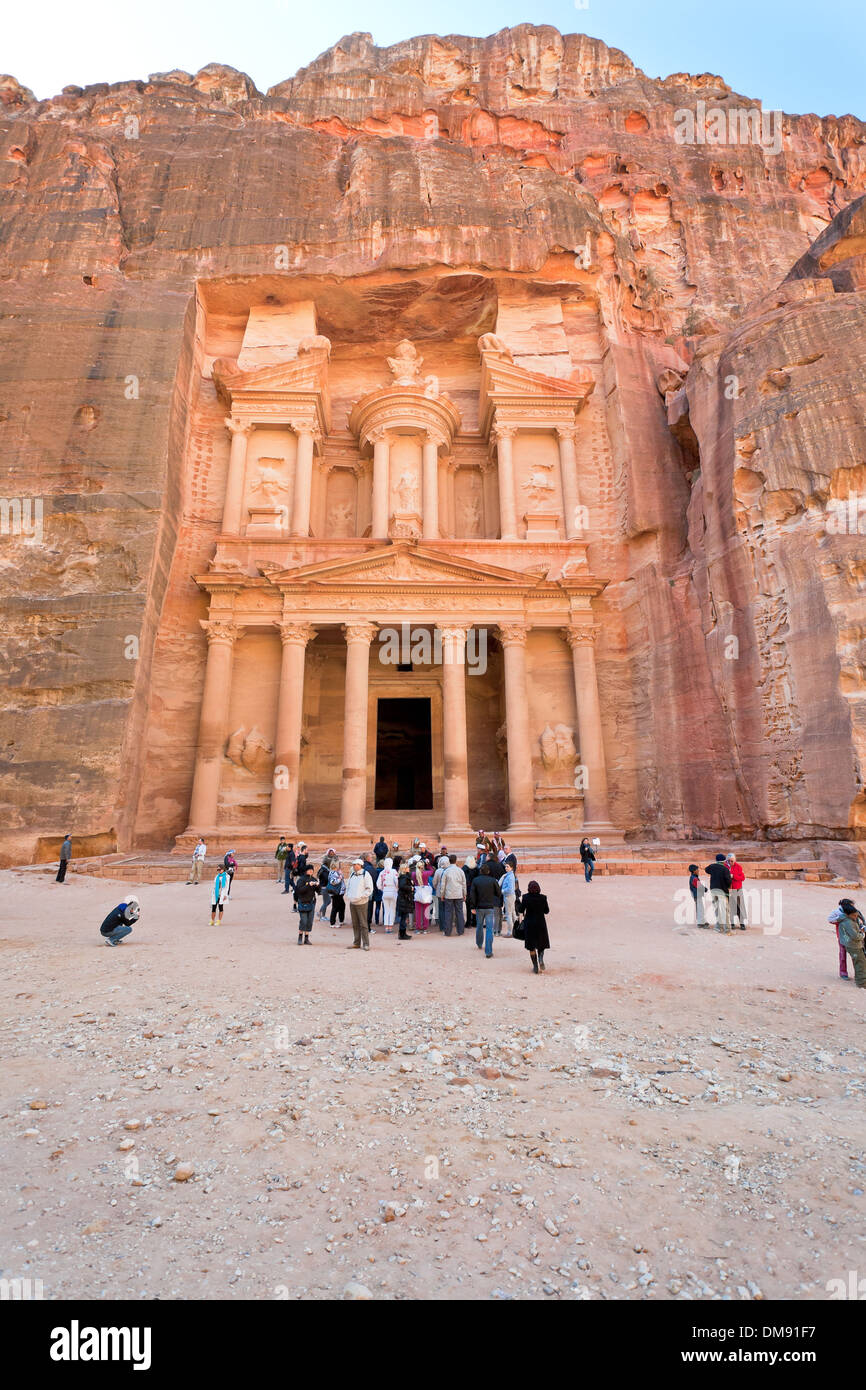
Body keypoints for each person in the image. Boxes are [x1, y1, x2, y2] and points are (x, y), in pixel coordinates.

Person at [470, 862, 502, 959]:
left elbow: (472, 895)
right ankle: (488, 951)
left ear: (480, 871)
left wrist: (472, 907)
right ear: (488, 871)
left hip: (479, 907)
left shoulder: (476, 880)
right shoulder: (492, 880)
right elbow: (499, 893)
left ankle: (479, 943)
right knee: (489, 929)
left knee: (479, 926)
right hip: (489, 907)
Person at [520, 880, 550, 974]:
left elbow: (521, 910)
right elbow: (546, 911)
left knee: (531, 946)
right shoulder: (543, 898)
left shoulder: (525, 897)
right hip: (540, 923)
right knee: (541, 944)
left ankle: (535, 966)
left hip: (529, 924)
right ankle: (541, 959)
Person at [345, 858, 374, 950]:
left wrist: (361, 896)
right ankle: (356, 943)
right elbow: (348, 886)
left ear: (360, 865)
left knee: (363, 924)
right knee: (355, 923)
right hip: (352, 902)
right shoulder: (352, 874)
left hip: (362, 903)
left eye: (355, 864)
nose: (354, 866)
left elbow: (369, 888)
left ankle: (366, 944)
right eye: (353, 865)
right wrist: (349, 895)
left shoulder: (366, 875)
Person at [836, 899, 866, 988]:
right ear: (848, 914)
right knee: (860, 963)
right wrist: (862, 934)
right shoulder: (848, 922)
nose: (856, 916)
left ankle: (859, 980)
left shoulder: (847, 919)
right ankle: (862, 984)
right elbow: (855, 936)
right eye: (855, 915)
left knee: (859, 962)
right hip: (854, 945)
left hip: (851, 945)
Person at [439, 854, 467, 936]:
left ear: (449, 861)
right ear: (456, 860)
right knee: (459, 912)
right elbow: (463, 883)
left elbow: (443, 884)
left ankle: (447, 932)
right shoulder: (460, 871)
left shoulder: (446, 871)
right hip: (458, 894)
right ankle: (461, 931)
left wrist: (442, 894)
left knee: (448, 913)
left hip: (449, 894)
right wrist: (464, 893)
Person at [705, 853, 732, 933]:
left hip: (713, 890)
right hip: (722, 891)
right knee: (725, 910)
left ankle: (718, 927)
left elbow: (706, 869)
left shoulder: (712, 867)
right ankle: (727, 929)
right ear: (724, 861)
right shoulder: (725, 869)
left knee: (717, 909)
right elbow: (728, 881)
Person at [293, 864, 317, 944]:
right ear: (306, 871)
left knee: (309, 921)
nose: (311, 871)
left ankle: (306, 938)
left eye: (312, 870)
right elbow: (299, 891)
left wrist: (318, 885)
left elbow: (319, 892)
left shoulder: (314, 879)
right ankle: (300, 937)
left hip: (311, 902)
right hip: (302, 902)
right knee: (303, 920)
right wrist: (308, 885)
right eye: (309, 870)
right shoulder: (301, 880)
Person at [829, 900, 852, 980]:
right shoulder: (836, 912)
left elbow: (859, 921)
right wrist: (840, 919)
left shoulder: (852, 910)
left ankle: (859, 974)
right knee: (843, 955)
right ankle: (843, 973)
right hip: (842, 937)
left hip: (852, 937)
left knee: (855, 956)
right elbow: (830, 920)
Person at [727, 853, 747, 929]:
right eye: (729, 861)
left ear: (734, 860)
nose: (730, 862)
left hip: (738, 889)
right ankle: (732, 923)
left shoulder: (738, 867)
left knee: (740, 906)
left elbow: (742, 878)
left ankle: (742, 923)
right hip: (729, 890)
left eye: (732, 861)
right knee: (731, 907)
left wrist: (733, 876)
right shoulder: (726, 867)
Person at [413, 856, 433, 932]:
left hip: (418, 892)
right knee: (426, 911)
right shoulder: (426, 873)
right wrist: (428, 864)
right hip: (426, 893)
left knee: (418, 911)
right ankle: (425, 928)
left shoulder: (414, 874)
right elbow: (432, 870)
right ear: (423, 867)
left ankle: (418, 928)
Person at [379, 856, 399, 931]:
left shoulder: (382, 872)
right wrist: (396, 888)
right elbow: (397, 881)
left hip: (385, 892)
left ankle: (386, 927)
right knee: (392, 909)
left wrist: (383, 889)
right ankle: (390, 926)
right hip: (393, 891)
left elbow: (378, 884)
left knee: (386, 910)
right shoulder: (394, 871)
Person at [395, 867, 416, 941]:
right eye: (407, 867)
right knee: (404, 917)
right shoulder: (404, 877)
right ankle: (402, 934)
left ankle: (403, 933)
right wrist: (411, 888)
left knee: (404, 917)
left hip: (404, 899)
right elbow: (402, 886)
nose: (408, 868)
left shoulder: (404, 877)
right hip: (404, 899)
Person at [500, 860, 517, 937]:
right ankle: (516, 930)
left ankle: (510, 932)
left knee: (509, 915)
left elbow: (509, 889)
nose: (506, 868)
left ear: (511, 868)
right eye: (505, 866)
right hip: (510, 896)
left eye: (507, 867)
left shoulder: (510, 877)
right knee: (512, 913)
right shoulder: (509, 875)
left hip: (509, 897)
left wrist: (502, 891)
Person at [317, 852, 335, 920]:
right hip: (324, 888)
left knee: (327, 901)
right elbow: (327, 879)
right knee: (327, 902)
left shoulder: (324, 869)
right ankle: (321, 915)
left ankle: (321, 914)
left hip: (324, 887)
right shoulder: (325, 871)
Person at [463, 854, 479, 933]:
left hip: (468, 889)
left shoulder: (464, 868)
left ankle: (468, 922)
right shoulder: (476, 869)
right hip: (475, 889)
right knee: (474, 905)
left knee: (468, 906)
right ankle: (475, 922)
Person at [328, 861, 346, 926]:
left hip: (339, 892)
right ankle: (332, 923)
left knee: (342, 906)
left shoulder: (337, 872)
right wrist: (340, 878)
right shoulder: (333, 872)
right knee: (335, 907)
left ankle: (341, 920)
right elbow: (333, 882)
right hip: (336, 893)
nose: (340, 866)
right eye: (339, 865)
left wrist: (340, 875)